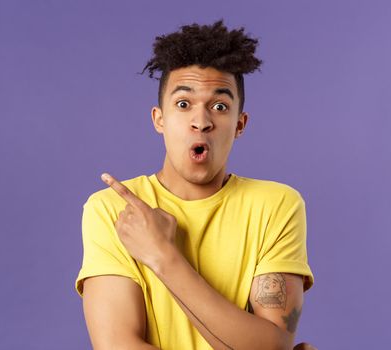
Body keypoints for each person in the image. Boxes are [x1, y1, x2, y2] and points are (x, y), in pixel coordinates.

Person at [75, 20, 317, 350]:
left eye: (219, 106)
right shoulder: (113, 210)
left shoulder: (277, 205)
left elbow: (270, 345)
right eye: (183, 104)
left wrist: (162, 256)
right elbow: (117, 344)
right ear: (159, 119)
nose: (201, 122)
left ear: (240, 124)